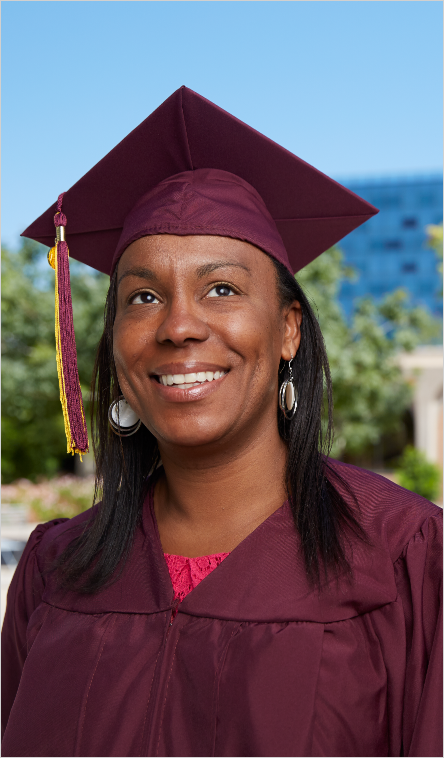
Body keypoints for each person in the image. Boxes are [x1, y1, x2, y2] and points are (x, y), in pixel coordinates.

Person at [2, 87, 442, 758]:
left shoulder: (409, 557)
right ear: (114, 341)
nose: (179, 326)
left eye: (223, 289)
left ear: (289, 329)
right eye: (143, 296)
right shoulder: (53, 569)